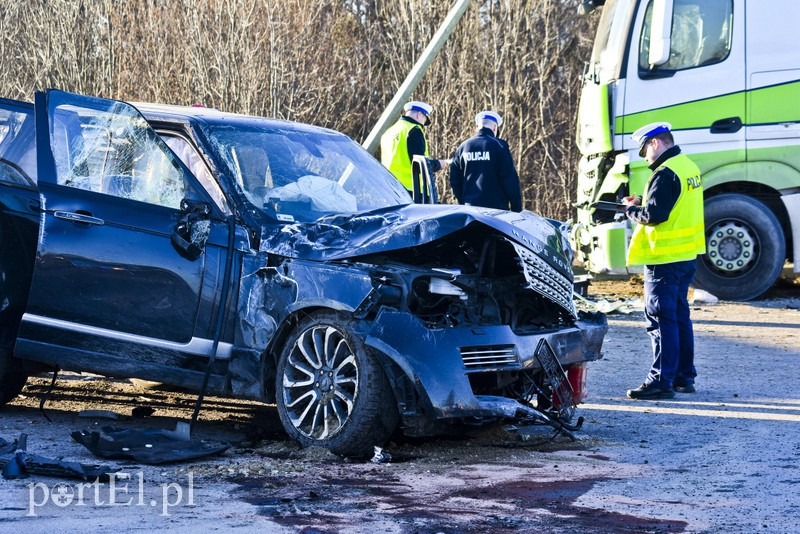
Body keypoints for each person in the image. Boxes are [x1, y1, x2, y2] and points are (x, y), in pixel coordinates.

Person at [624, 122, 705, 400]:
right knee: (680, 317)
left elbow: (656, 215)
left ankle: (661, 381)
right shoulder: (687, 166)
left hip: (664, 258)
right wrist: (640, 205)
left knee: (660, 320)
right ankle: (684, 377)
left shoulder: (665, 172)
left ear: (656, 143)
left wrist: (632, 210)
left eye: (645, 149)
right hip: (685, 255)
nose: (645, 156)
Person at [449, 110, 522, 212]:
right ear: (494, 127)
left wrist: (463, 201)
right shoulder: (499, 146)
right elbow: (510, 179)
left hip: (470, 210)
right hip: (496, 210)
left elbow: (455, 180)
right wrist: (516, 207)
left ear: (477, 126)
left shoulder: (463, 147)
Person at [380, 101, 448, 193]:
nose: (423, 125)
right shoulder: (414, 130)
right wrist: (439, 164)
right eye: (424, 120)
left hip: (389, 190)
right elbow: (420, 165)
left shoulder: (389, 132)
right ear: (419, 114)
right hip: (412, 191)